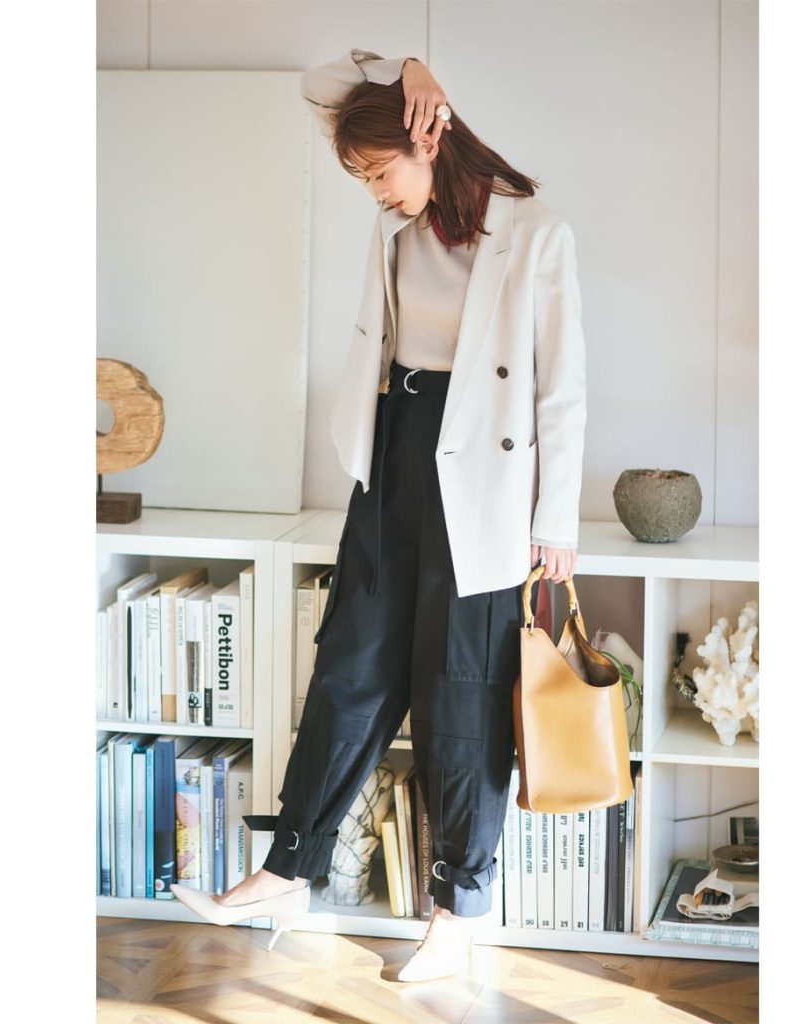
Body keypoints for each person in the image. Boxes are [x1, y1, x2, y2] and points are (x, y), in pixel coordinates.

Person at [172, 47, 586, 984]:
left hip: (485, 481)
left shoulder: (534, 233)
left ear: (426, 141)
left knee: (462, 692)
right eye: (360, 180)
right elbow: (317, 80)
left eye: (377, 172)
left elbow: (561, 390)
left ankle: (455, 914)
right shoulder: (400, 223)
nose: (374, 193)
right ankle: (287, 870)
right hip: (395, 452)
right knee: (349, 670)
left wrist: (554, 522)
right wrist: (407, 65)